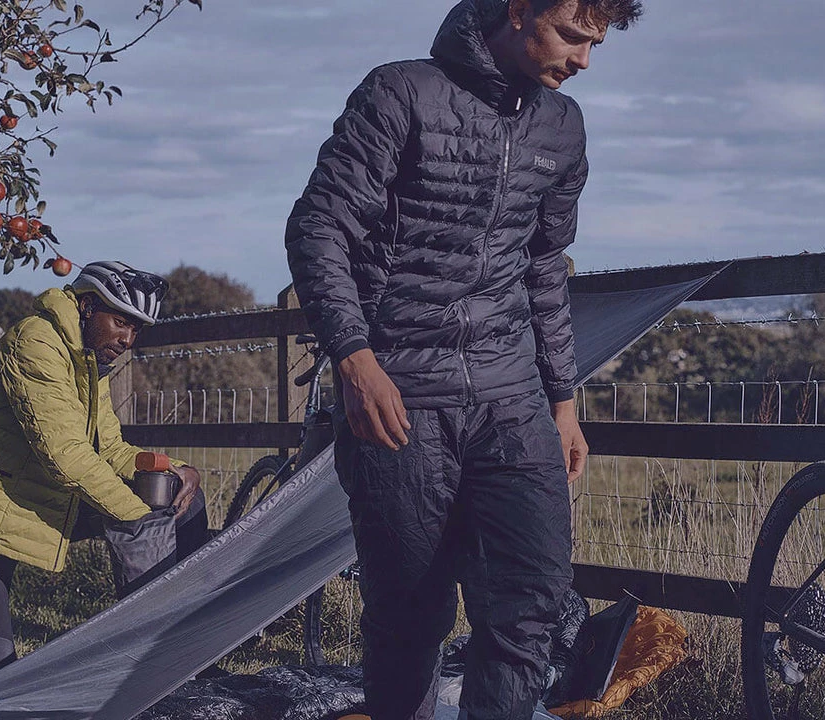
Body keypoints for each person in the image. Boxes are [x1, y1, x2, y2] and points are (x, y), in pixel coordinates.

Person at [284, 0, 641, 718]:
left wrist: (562, 402)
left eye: (595, 45)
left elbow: (546, 267)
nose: (583, 61)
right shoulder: (400, 93)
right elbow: (318, 227)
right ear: (519, 11)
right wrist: (355, 360)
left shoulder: (562, 126)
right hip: (403, 392)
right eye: (572, 36)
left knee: (531, 600)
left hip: (511, 394)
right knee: (410, 612)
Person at [0, 260, 207, 687]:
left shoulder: (88, 360)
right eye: (121, 322)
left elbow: (110, 449)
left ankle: (178, 645)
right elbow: (65, 456)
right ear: (87, 306)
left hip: (38, 504)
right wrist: (138, 518)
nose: (127, 339)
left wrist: (174, 469)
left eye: (136, 329)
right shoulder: (35, 343)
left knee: (174, 493)